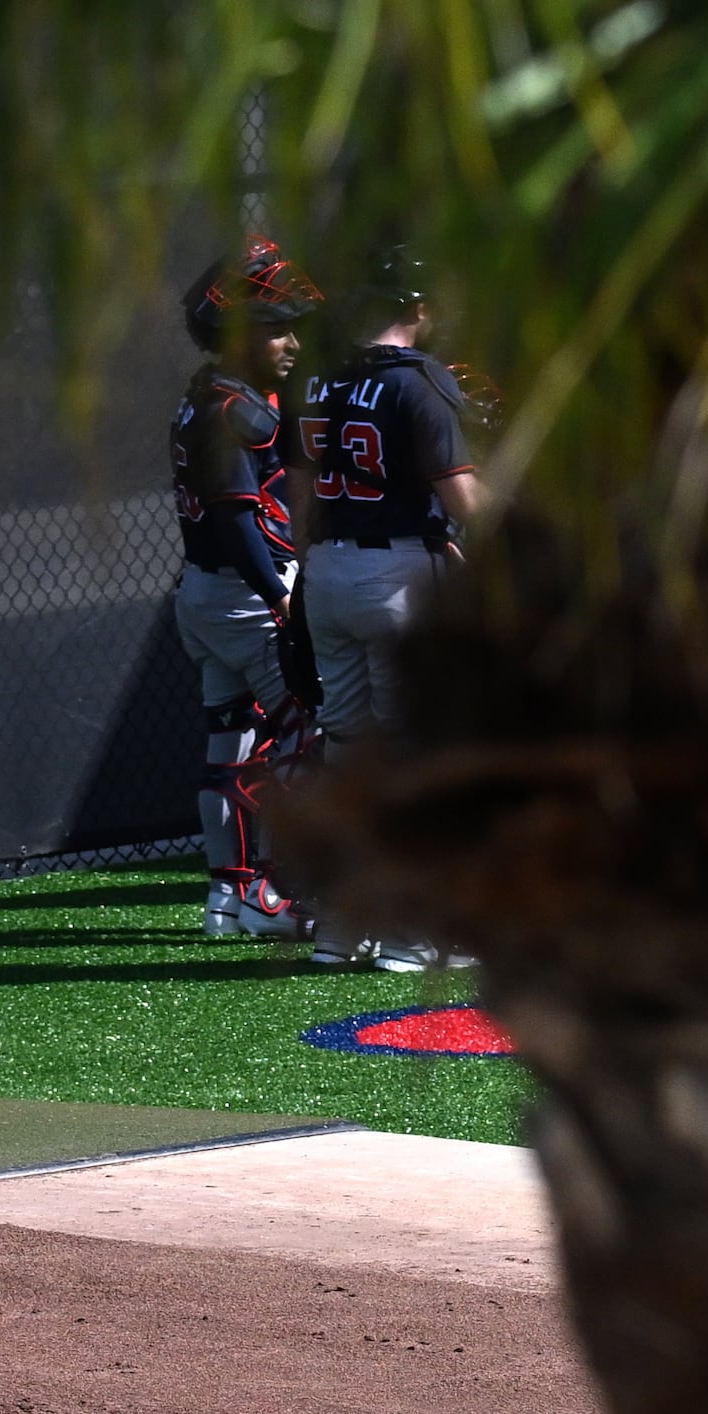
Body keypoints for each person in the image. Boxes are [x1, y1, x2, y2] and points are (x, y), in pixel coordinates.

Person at [294, 252, 488, 972]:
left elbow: (299, 488)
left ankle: (339, 930)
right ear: (417, 305)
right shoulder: (420, 380)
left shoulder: (319, 379)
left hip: (327, 570)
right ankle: (409, 936)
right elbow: (463, 497)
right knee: (408, 758)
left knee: (347, 753)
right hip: (394, 573)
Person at [170, 239, 326, 939]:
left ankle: (228, 899)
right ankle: (272, 890)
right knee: (309, 731)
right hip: (244, 593)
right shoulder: (232, 409)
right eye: (277, 329)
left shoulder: (208, 396)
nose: (291, 343)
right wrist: (280, 596)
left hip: (206, 596)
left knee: (229, 742)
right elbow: (237, 516)